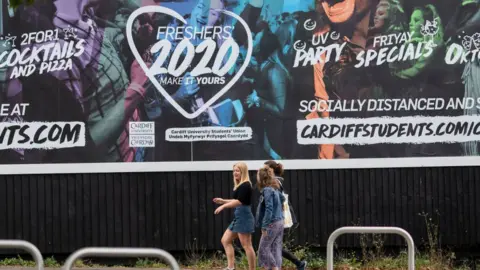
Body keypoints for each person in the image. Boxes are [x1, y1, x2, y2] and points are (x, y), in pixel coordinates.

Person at [264, 160, 307, 270]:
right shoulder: (276, 181)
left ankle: (295, 263)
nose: (263, 171)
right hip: (278, 217)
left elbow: (277, 201)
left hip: (276, 218)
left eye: (265, 169)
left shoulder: (275, 182)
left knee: (270, 245)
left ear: (271, 170)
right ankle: (298, 263)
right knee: (274, 245)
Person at [214, 162, 256, 270]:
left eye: (237, 171)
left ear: (243, 172)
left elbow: (239, 202)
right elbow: (236, 200)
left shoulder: (246, 185)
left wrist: (223, 206)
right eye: (234, 171)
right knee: (225, 240)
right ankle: (231, 267)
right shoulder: (241, 185)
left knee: (247, 245)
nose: (235, 173)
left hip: (244, 217)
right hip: (238, 217)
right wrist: (223, 201)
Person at [255, 165, 285, 270]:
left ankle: (274, 268)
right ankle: (276, 267)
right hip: (280, 221)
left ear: (261, 177)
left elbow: (269, 209)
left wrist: (264, 226)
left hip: (272, 223)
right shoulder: (274, 188)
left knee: (263, 249)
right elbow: (282, 199)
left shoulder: (267, 190)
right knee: (276, 248)